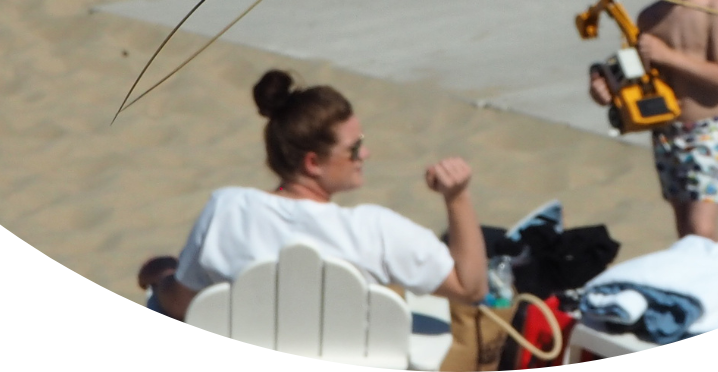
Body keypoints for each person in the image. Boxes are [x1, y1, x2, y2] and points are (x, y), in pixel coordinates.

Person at [138, 69, 488, 318]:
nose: (364, 155)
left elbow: (180, 304)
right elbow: (472, 288)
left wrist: (162, 278)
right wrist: (457, 197)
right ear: (313, 163)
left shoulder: (227, 209)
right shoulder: (373, 231)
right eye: (354, 148)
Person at [587, 0, 718, 240]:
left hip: (706, 132)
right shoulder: (651, 17)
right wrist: (603, 87)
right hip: (666, 132)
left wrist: (668, 55)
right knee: (684, 230)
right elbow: (634, 76)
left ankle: (714, 288)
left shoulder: (717, 9)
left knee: (702, 228)